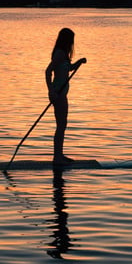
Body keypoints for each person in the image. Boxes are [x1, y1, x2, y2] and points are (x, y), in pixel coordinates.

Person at [44, 27, 86, 164]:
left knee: (62, 124)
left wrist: (79, 62)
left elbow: (69, 69)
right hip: (58, 93)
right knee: (61, 125)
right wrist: (51, 91)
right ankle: (57, 157)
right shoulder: (60, 54)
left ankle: (59, 155)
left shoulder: (63, 55)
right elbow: (48, 71)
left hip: (62, 94)